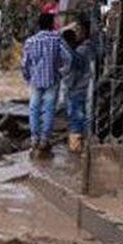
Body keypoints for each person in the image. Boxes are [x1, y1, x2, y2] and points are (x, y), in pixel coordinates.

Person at [22, 12, 73, 155]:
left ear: (38, 25)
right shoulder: (57, 40)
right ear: (51, 24)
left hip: (35, 81)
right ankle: (45, 139)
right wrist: (61, 73)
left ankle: (34, 139)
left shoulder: (30, 41)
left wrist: (28, 78)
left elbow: (25, 64)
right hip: (52, 80)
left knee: (34, 109)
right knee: (49, 109)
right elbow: (68, 59)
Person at [63, 23, 95, 155]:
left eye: (78, 29)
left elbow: (74, 72)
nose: (76, 33)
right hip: (86, 87)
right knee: (85, 115)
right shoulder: (91, 47)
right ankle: (86, 144)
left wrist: (68, 87)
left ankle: (76, 147)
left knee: (76, 117)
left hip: (77, 88)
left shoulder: (80, 51)